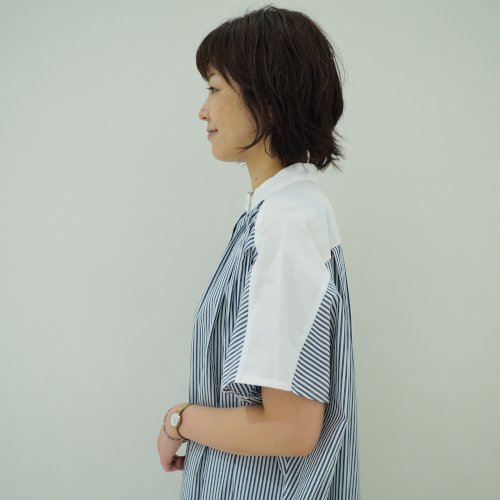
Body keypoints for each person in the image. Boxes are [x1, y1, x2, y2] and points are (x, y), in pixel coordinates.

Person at [157, 5, 361, 499]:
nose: (202, 110)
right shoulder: (280, 213)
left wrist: (178, 421)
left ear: (266, 99)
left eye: (213, 88)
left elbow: (288, 429)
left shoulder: (285, 225)